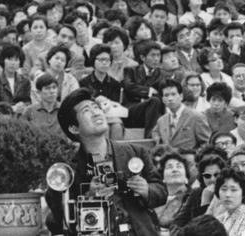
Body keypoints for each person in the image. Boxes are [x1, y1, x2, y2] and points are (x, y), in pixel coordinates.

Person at [47, 88, 167, 236]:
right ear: (73, 128)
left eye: (96, 107)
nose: (96, 112)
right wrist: (87, 198)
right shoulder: (66, 170)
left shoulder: (136, 152)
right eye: (86, 111)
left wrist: (146, 190)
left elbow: (161, 191)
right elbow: (57, 213)